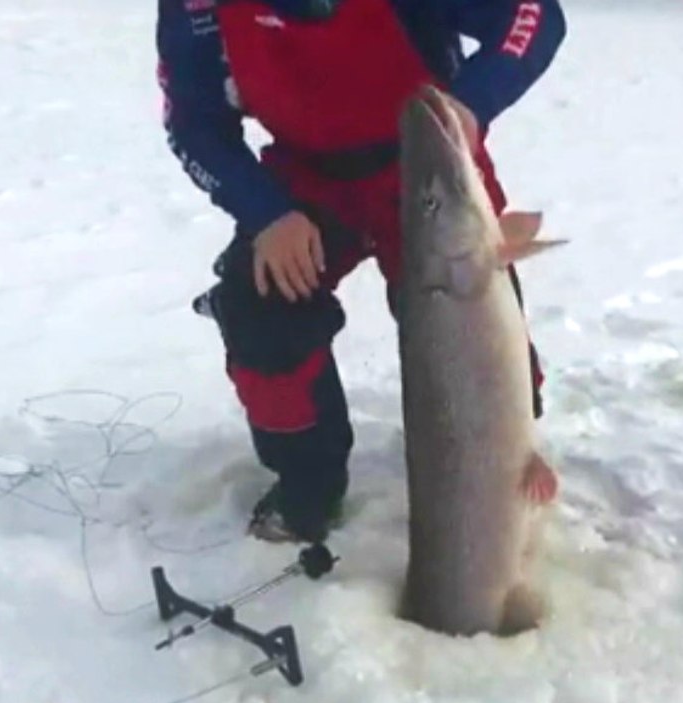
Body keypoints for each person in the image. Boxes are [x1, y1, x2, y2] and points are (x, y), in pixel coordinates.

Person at [156, 0, 567, 543]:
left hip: (424, 171)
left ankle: (502, 473)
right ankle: (308, 482)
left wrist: (471, 104)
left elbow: (533, 16)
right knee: (257, 308)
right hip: (306, 181)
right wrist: (266, 213)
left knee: (473, 334)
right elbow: (193, 123)